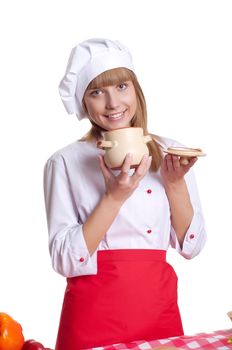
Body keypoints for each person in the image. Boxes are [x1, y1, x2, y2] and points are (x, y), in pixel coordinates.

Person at [43, 38, 206, 350]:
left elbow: (192, 246)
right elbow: (64, 260)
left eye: (121, 87)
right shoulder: (64, 162)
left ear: (136, 90)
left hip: (159, 314)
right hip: (92, 320)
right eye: (96, 92)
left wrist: (174, 184)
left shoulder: (169, 151)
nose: (112, 103)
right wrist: (114, 197)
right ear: (84, 103)